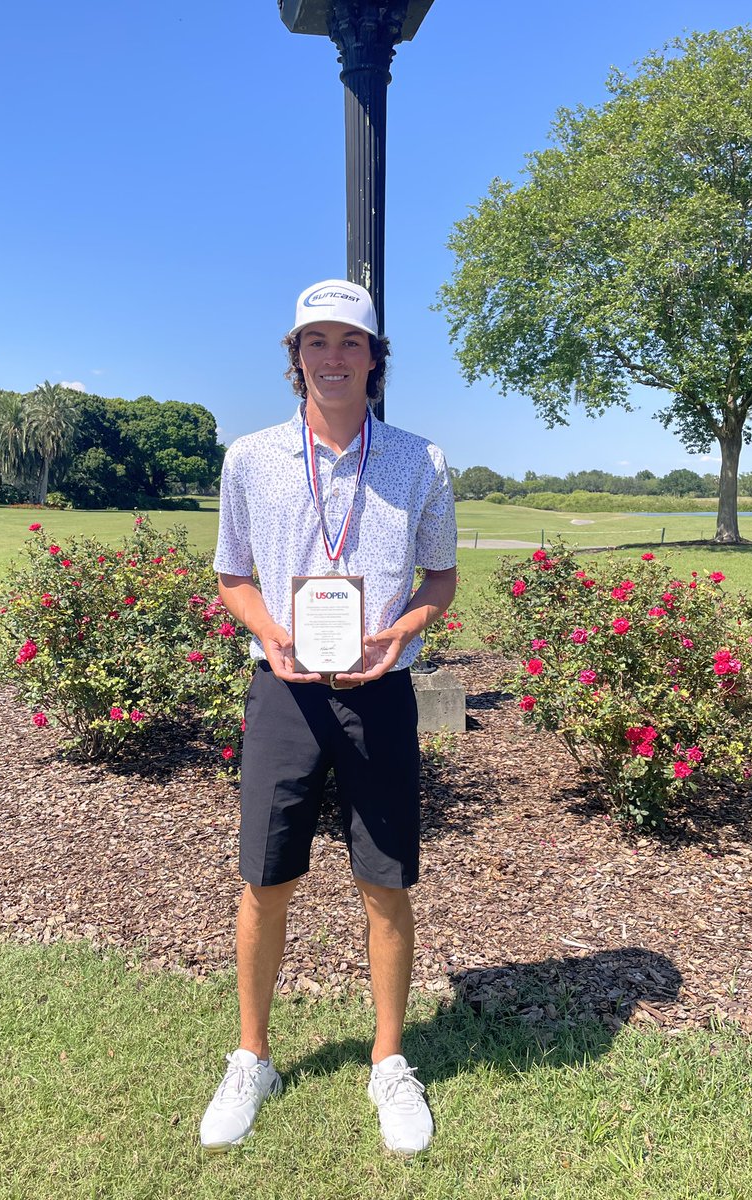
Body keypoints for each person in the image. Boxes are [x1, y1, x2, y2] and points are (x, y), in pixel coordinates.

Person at [199, 278, 457, 1156]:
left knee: (385, 881)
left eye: (352, 342)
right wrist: (272, 635)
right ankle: (253, 1057)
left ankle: (389, 1060)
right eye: (318, 342)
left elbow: (441, 577)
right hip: (283, 694)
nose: (334, 357)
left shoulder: (421, 461)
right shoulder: (250, 458)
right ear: (295, 356)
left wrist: (404, 630)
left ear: (376, 359)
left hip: (378, 693)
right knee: (264, 880)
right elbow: (233, 575)